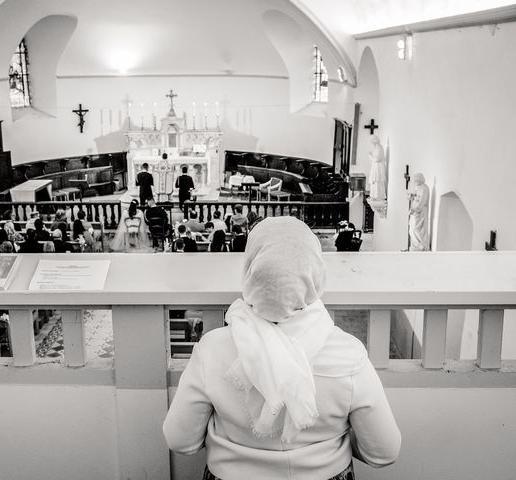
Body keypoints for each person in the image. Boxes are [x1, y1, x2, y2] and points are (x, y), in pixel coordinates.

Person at [164, 217, 401, 480]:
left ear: (250, 270)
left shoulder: (212, 349)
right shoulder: (348, 354)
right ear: (316, 274)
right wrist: (334, 446)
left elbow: (180, 440)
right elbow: (384, 452)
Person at [408, 172, 430, 251]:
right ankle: (416, 245)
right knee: (411, 229)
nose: (415, 182)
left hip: (419, 212)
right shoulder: (417, 187)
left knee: (416, 228)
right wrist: (411, 196)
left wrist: (415, 210)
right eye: (415, 180)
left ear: (420, 179)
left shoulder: (424, 188)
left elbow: (422, 201)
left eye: (416, 180)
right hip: (414, 211)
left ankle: (423, 244)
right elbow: (414, 197)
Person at [368, 135, 387, 201]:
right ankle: (374, 195)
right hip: (375, 167)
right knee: (374, 181)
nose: (372, 143)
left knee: (377, 181)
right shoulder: (376, 147)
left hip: (378, 167)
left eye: (372, 142)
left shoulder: (379, 147)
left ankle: (379, 196)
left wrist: (370, 156)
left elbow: (377, 159)